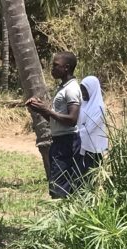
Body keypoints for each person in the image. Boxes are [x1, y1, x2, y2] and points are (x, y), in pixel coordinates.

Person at [26, 52, 83, 198]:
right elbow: (55, 119)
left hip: (67, 141)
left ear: (67, 68)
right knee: (58, 183)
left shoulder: (71, 89)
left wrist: (47, 110)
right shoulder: (62, 88)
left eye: (56, 66)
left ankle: (62, 215)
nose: (52, 69)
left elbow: (72, 120)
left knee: (61, 185)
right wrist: (40, 109)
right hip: (59, 141)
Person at [79, 75, 108, 173]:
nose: (83, 93)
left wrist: (74, 136)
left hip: (93, 150)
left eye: (85, 90)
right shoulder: (84, 104)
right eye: (81, 90)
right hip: (82, 148)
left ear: (92, 90)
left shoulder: (99, 108)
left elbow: (88, 129)